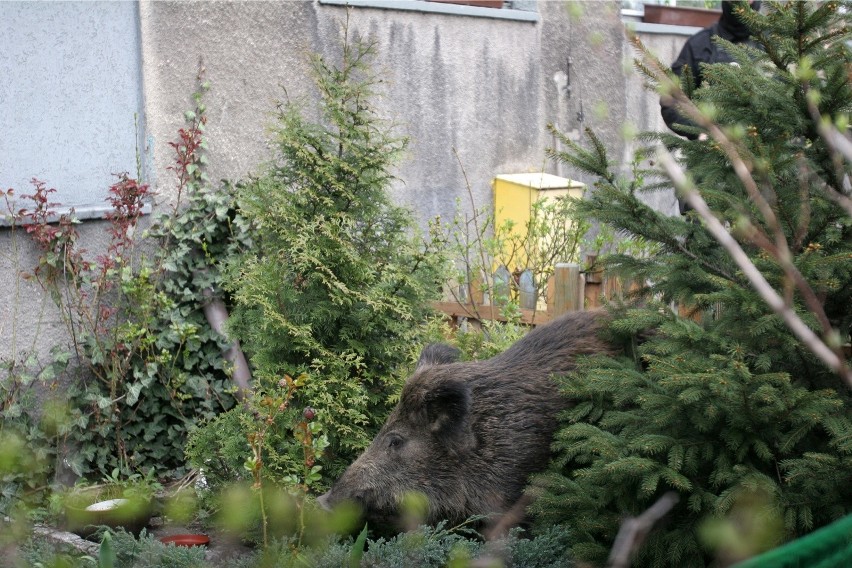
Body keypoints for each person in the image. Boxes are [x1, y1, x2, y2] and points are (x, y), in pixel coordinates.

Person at [660, 1, 761, 141]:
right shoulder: (699, 45)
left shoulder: (776, 44)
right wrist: (699, 131)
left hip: (771, 156)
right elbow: (671, 101)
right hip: (712, 153)